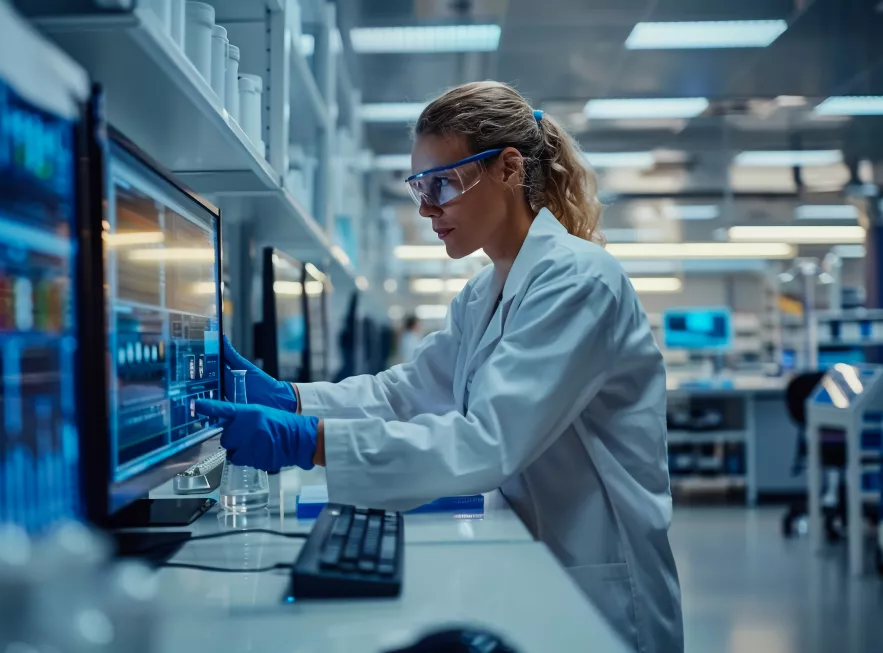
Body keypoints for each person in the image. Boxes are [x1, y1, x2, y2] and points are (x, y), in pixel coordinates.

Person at [197, 81, 683, 653]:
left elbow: (487, 443)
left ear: (508, 168)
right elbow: (406, 393)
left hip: (602, 582)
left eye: (443, 183)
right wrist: (290, 399)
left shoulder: (579, 280)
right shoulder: (484, 292)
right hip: (538, 559)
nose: (427, 207)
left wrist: (309, 442)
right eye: (419, 187)